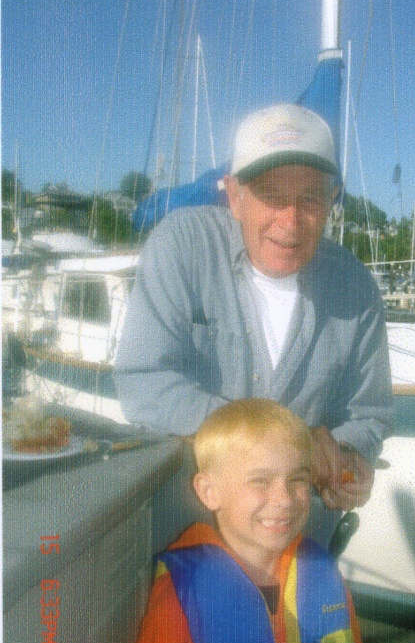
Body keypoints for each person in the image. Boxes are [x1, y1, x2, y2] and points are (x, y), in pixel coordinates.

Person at [114, 103, 393, 544]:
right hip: (189, 536)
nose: (290, 221)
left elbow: (369, 415)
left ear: (331, 202)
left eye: (310, 200)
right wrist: (294, 443)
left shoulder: (356, 286)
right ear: (234, 196)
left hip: (298, 544)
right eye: (271, 196)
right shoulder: (182, 245)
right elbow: (145, 381)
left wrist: (349, 457)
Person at [103, 399, 387, 643]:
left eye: (297, 479)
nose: (283, 499)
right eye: (260, 481)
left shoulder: (327, 579)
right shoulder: (181, 596)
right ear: (209, 492)